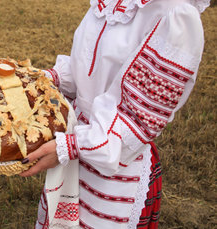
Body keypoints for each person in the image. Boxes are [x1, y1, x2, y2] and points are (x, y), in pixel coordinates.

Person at [20, 0, 210, 228]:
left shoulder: (174, 13)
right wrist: (42, 80)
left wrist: (70, 147)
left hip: (115, 171)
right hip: (74, 151)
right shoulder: (109, 3)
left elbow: (137, 120)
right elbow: (89, 70)